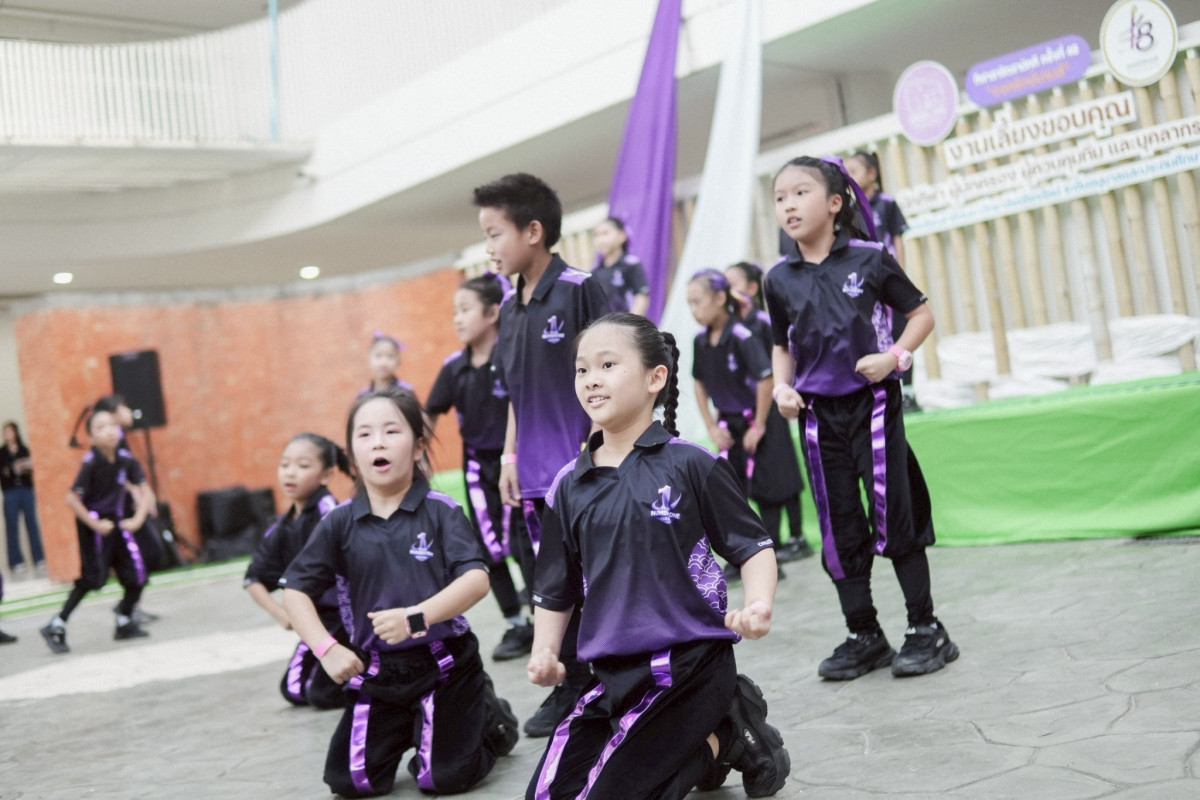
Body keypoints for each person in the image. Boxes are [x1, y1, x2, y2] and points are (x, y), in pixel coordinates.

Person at [526, 312, 790, 799]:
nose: (591, 379)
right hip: (611, 675)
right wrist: (545, 651)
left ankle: (725, 734)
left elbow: (752, 547)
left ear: (655, 378)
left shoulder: (691, 463)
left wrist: (758, 605)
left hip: (690, 666)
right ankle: (718, 732)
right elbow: (554, 588)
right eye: (582, 369)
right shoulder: (567, 486)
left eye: (608, 365)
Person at [766, 155, 957, 680]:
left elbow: (920, 314)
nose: (788, 205)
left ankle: (926, 628)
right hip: (816, 417)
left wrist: (894, 357)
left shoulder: (870, 258)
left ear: (835, 202)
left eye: (800, 193)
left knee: (896, 515)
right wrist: (782, 387)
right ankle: (864, 634)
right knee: (839, 525)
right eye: (780, 197)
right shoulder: (778, 278)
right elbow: (781, 344)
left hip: (873, 406)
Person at [280, 389, 518, 798]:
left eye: (391, 431)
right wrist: (326, 649)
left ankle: (489, 718)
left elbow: (476, 579)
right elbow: (295, 590)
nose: (378, 442)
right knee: (350, 782)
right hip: (376, 674)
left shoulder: (441, 510)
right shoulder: (338, 522)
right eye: (365, 434)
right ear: (352, 456)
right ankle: (414, 727)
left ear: (419, 446)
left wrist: (417, 616)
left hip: (444, 665)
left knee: (442, 778)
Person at [473, 172, 610, 737]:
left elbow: (615, 372)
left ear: (533, 231)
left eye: (494, 234)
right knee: (549, 584)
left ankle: (607, 683)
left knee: (595, 579)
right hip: (531, 475)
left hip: (584, 470)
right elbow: (516, 394)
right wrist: (509, 457)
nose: (488, 247)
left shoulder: (580, 289)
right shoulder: (509, 308)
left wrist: (598, 447)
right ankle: (571, 686)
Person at [426, 273, 536, 662]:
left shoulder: (511, 357)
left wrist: (511, 458)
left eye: (465, 309)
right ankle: (516, 624)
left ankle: (544, 620)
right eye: (454, 311)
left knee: (525, 545)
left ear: (492, 313)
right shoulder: (453, 367)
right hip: (476, 467)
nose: (457, 318)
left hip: (518, 463)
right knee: (489, 549)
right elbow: (429, 414)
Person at [687, 269, 790, 580]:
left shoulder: (742, 335)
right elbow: (699, 382)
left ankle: (771, 558)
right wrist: (711, 426)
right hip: (727, 425)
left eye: (698, 301)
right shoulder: (700, 341)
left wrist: (758, 426)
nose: (694, 310)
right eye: (689, 303)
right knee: (732, 493)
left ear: (720, 298)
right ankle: (741, 557)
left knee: (766, 490)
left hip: (753, 420)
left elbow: (765, 378)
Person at [244, 433, 351, 709]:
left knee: (322, 695)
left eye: (303, 466)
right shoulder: (282, 525)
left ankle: (375, 675)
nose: (290, 473)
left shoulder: (330, 514)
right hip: (314, 620)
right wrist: (283, 614)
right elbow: (253, 578)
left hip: (345, 620)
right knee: (293, 691)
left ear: (326, 475)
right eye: (285, 464)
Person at [40, 408, 154, 654]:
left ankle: (124, 619)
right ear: (91, 437)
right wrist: (96, 525)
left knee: (137, 575)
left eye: (112, 425)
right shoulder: (91, 463)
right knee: (93, 579)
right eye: (101, 428)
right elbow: (71, 499)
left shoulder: (126, 459)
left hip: (117, 523)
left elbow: (145, 491)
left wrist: (137, 519)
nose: (109, 431)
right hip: (94, 525)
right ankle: (57, 624)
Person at [724, 263, 814, 563]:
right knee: (764, 478)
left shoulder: (762, 322)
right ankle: (774, 539)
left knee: (783, 471)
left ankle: (797, 537)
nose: (726, 291)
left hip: (773, 407)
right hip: (749, 410)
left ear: (751, 288)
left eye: (732, 283)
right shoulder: (730, 326)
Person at [845, 150, 920, 413]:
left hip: (888, 280)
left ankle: (908, 392)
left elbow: (898, 239)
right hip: (865, 285)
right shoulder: (850, 210)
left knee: (900, 334)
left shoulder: (887, 203)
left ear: (872, 174)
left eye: (853, 171)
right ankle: (880, 394)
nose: (849, 177)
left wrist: (900, 274)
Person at [93, 394, 161, 624]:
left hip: (131, 508)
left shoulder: (120, 438)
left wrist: (145, 495)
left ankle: (129, 606)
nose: (129, 412)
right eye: (124, 408)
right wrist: (137, 494)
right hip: (122, 511)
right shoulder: (110, 444)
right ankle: (128, 608)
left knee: (151, 554)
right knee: (142, 556)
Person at [1, 421, 45, 576]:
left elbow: (32, 467)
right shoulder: (2, 453)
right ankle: (16, 561)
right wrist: (15, 468)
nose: (7, 434)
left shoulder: (24, 450)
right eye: (5, 432)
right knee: (12, 526)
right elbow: (4, 472)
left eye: (9, 431)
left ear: (15, 432)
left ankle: (39, 558)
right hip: (10, 492)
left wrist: (23, 467)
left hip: (26, 490)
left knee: (32, 523)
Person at [589, 216, 650, 315]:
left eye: (605, 233)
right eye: (596, 235)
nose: (600, 240)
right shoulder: (595, 272)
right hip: (606, 322)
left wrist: (630, 322)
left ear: (622, 236)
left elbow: (641, 298)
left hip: (628, 321)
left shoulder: (630, 264)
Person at [359, 333, 415, 398]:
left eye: (390, 356)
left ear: (398, 361)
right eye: (378, 356)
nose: (384, 363)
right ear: (369, 359)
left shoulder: (405, 392)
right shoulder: (363, 395)